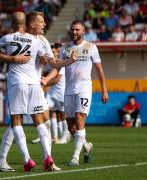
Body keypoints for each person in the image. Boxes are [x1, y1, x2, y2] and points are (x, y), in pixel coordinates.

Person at [0, 11, 77, 172]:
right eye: (41, 21)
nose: (44, 24)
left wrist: (47, 72)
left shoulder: (41, 40)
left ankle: (44, 160)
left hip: (30, 84)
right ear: (31, 23)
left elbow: (51, 63)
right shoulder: (35, 41)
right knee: (20, 123)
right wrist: (14, 59)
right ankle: (4, 161)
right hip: (31, 85)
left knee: (32, 120)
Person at [44, 20, 109, 166]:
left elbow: (99, 70)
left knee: (80, 119)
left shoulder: (91, 47)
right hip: (69, 90)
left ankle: (75, 157)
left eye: (77, 30)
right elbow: (58, 67)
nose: (74, 32)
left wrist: (104, 89)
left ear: (83, 31)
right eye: (73, 29)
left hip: (84, 89)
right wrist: (47, 79)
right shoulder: (65, 48)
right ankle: (86, 146)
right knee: (71, 127)